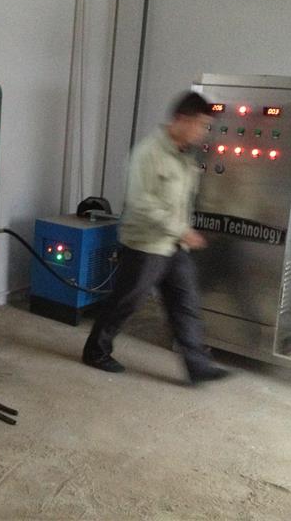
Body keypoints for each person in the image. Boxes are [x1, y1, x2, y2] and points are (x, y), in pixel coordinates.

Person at [82, 91, 229, 384]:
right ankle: (95, 351)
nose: (203, 132)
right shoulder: (148, 153)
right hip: (145, 243)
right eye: (200, 124)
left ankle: (198, 366)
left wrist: (183, 232)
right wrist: (181, 229)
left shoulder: (185, 155)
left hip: (174, 244)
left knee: (185, 303)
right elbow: (141, 203)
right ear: (181, 119)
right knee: (127, 301)